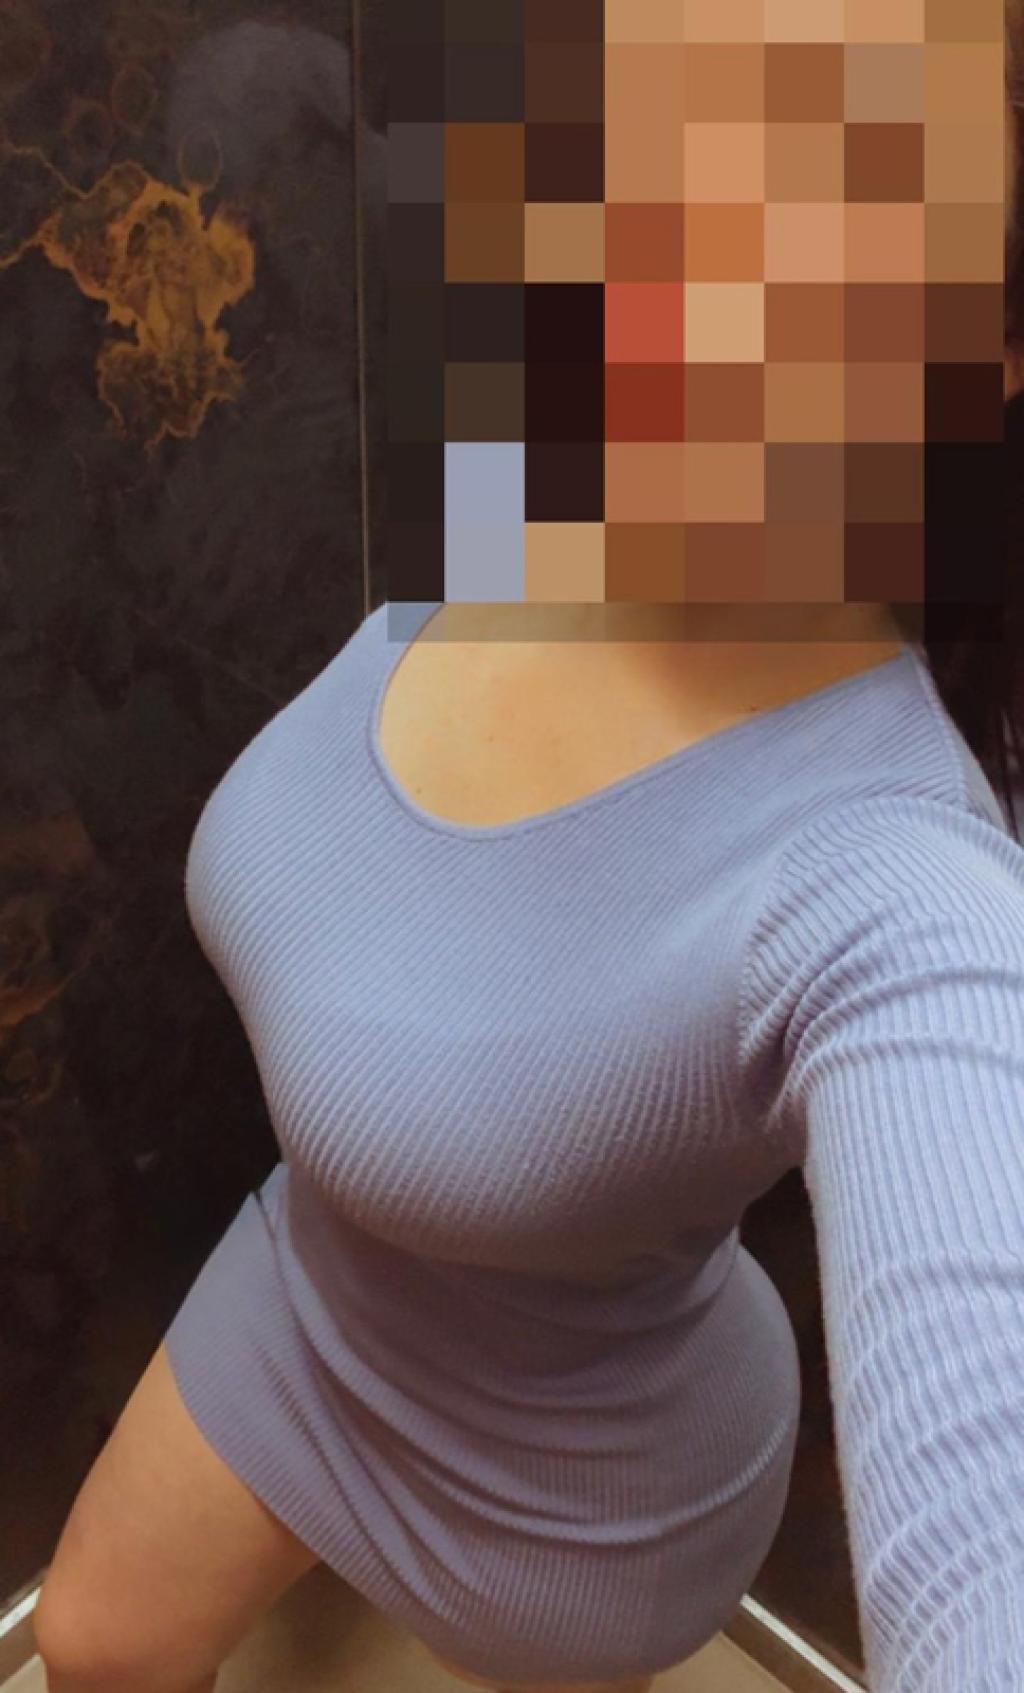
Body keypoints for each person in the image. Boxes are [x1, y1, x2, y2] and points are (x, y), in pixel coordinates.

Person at [33, 13, 1024, 1693]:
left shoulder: (904, 885)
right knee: (92, 1644)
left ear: (985, 343)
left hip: (585, 1505)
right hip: (313, 1279)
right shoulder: (521, 468)